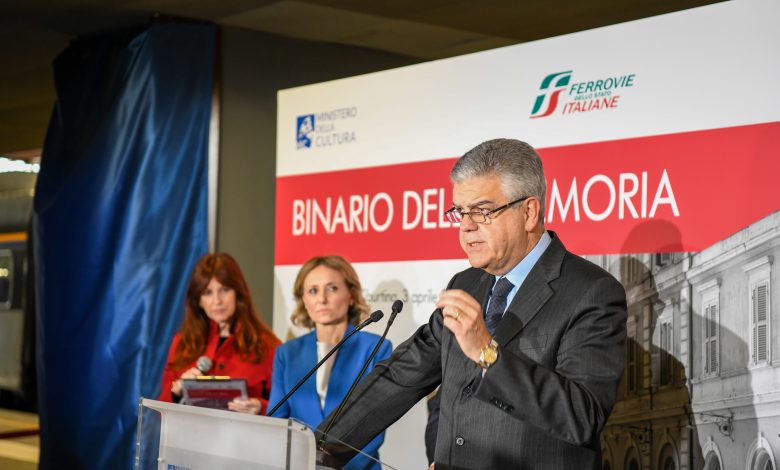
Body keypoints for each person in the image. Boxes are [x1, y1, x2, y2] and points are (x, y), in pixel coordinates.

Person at [317, 139, 627, 469]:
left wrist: (487, 353)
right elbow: (399, 377)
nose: (466, 226)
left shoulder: (591, 291)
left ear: (529, 212)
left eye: (482, 211)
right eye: (460, 212)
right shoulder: (466, 284)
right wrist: (316, 447)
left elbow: (581, 416)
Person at [269, 255, 392, 470]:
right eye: (313, 291)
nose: (322, 299)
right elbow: (277, 423)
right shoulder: (286, 353)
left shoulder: (377, 348)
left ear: (351, 295)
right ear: (303, 300)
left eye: (332, 288)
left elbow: (375, 426)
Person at [159, 252, 280, 415]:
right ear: (198, 300)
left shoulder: (268, 345)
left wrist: (261, 407)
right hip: (190, 437)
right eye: (207, 293)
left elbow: (286, 408)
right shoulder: (182, 343)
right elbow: (161, 409)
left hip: (244, 438)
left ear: (238, 293)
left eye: (224, 290)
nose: (217, 301)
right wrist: (177, 390)